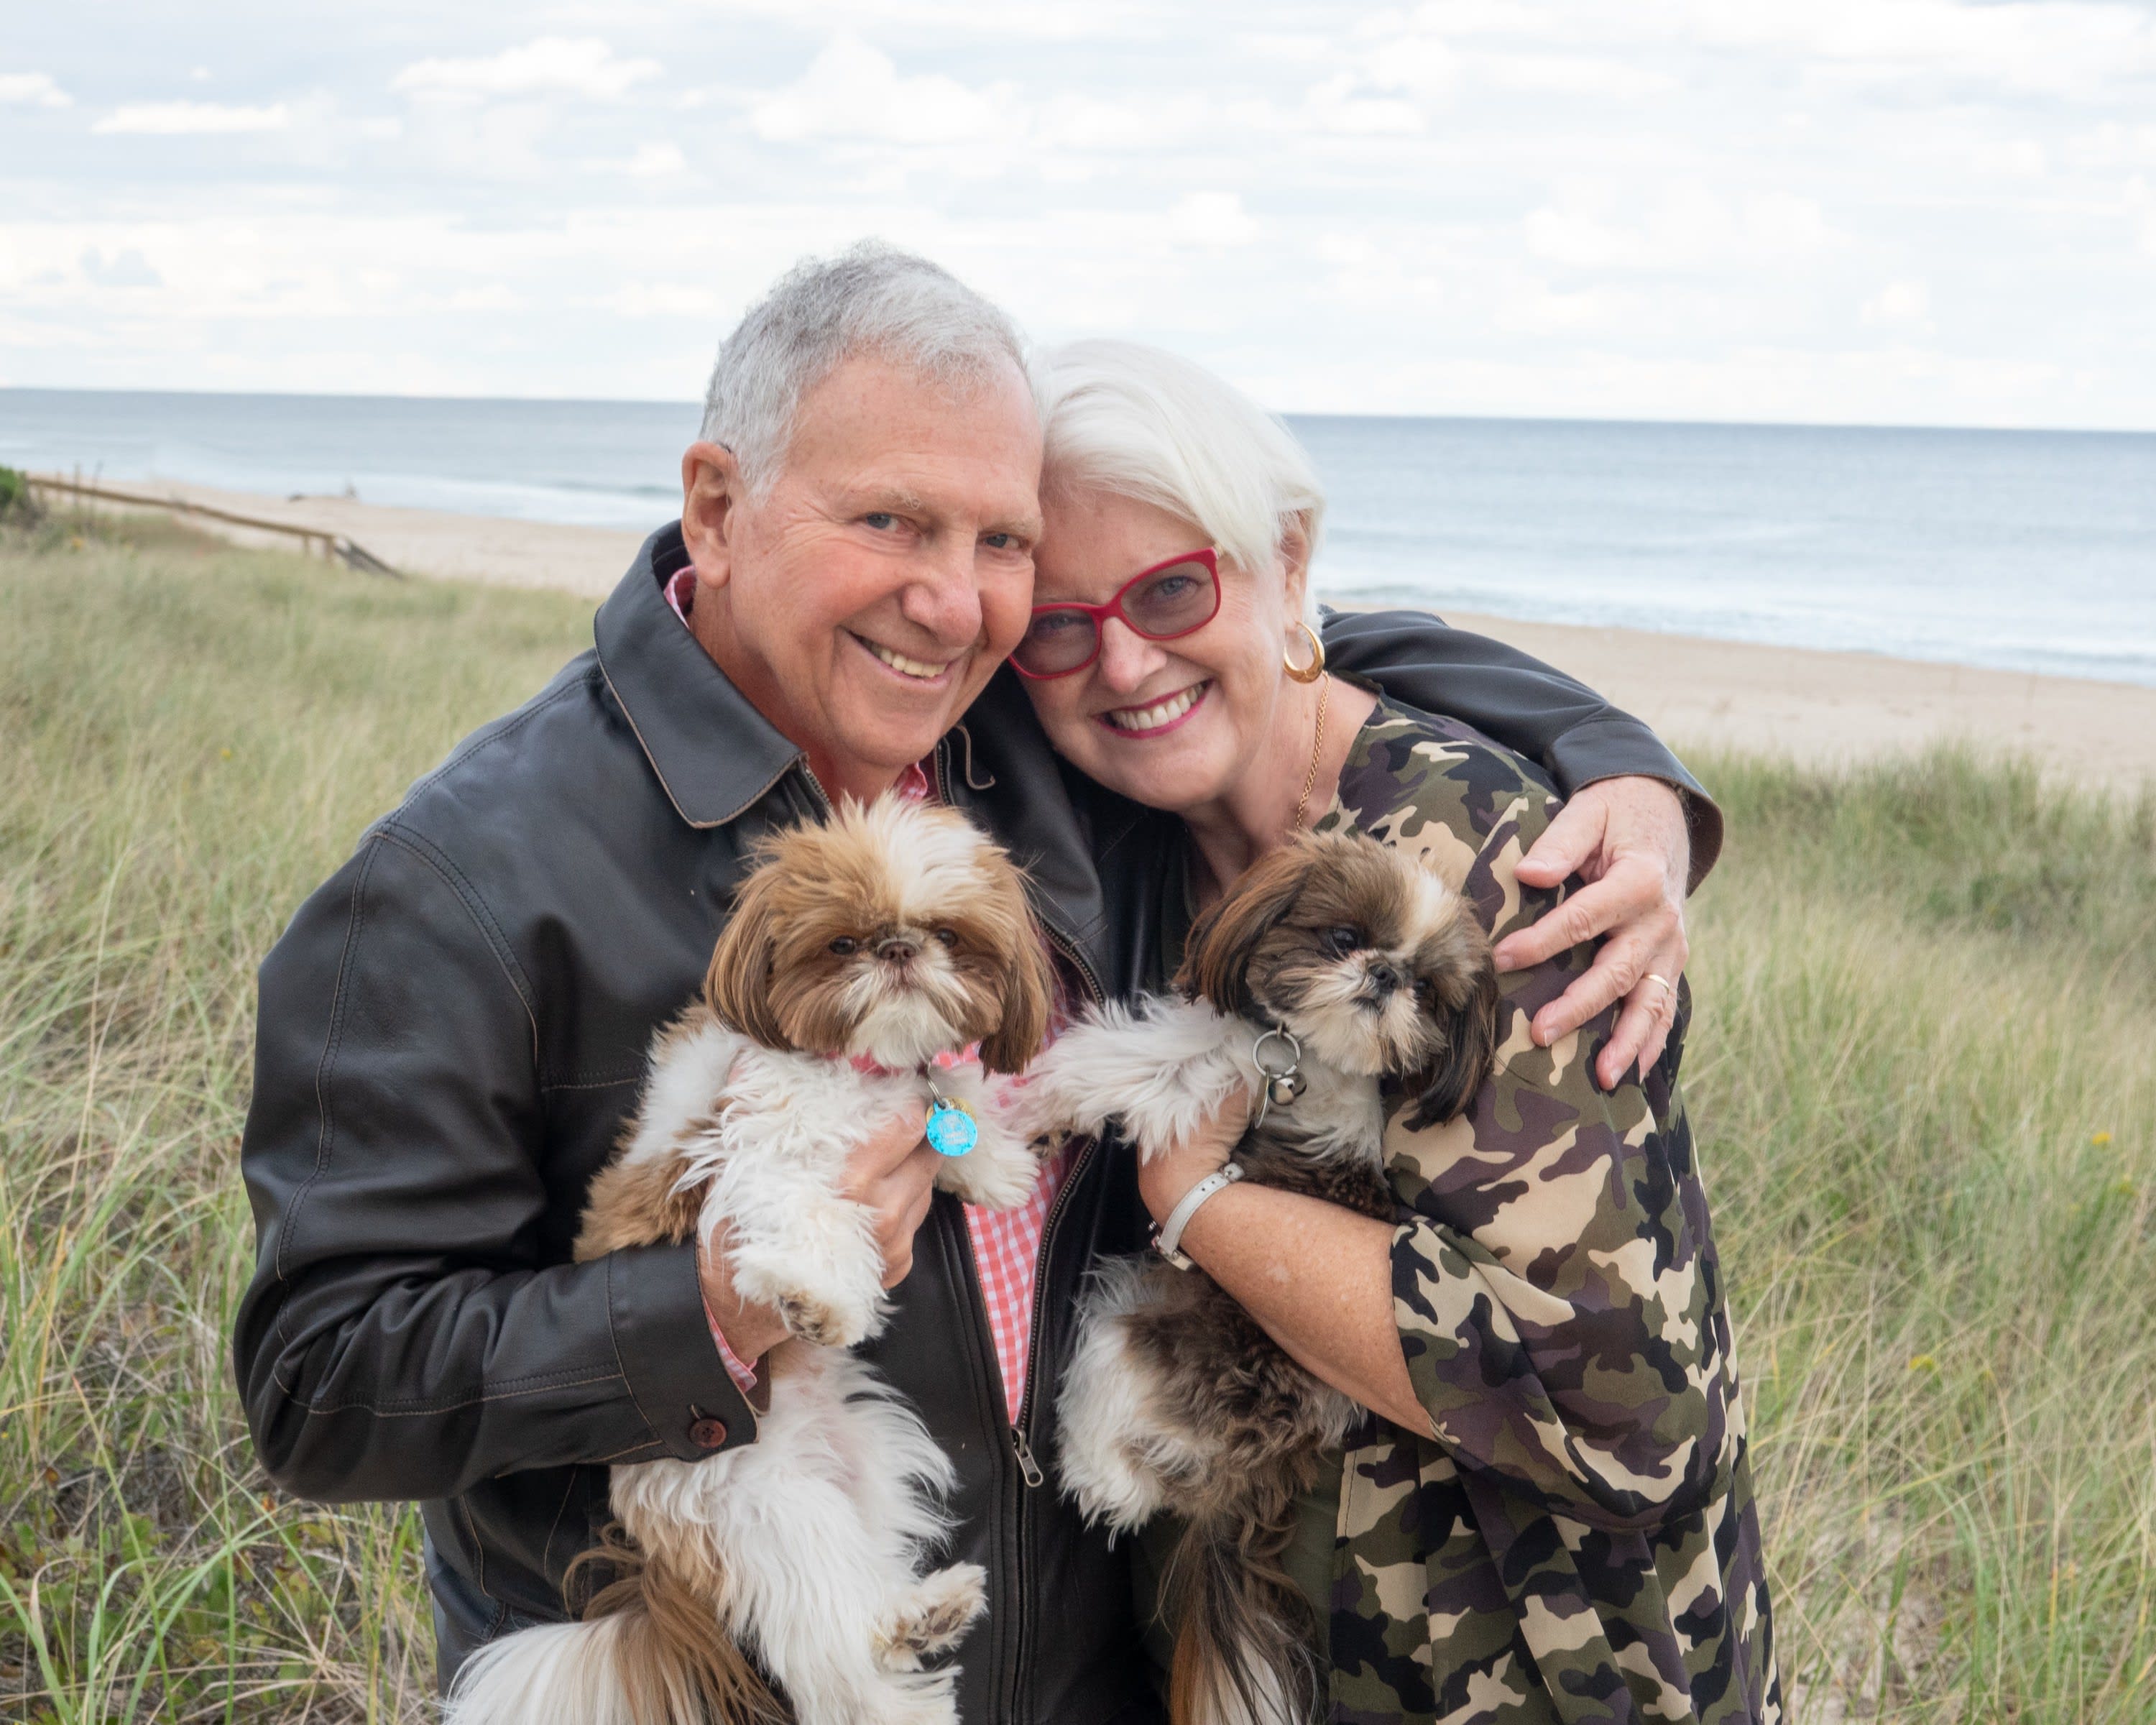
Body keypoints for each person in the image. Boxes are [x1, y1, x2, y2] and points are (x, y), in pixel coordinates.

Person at [232, 244, 1720, 1723]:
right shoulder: (460, 886)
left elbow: (1253, 639)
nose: (953, 605)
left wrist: (1621, 767)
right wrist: (708, 1313)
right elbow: (319, 1386)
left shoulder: (1026, 729)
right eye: (889, 520)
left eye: (1002, 540)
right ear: (718, 511)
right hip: (733, 1679)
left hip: (1087, 1677)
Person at [1000, 338, 1779, 1722]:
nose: (1122, 659)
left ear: (1287, 563)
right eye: (1060, 622)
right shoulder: (1125, 839)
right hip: (1262, 1639)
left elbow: (1626, 1412)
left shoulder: (1490, 873)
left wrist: (1203, 1202)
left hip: (1529, 1668)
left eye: (1173, 588)